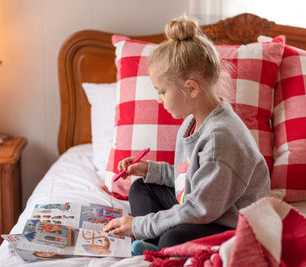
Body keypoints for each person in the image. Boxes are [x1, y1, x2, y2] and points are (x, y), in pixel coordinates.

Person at [103, 15, 270, 254]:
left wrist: (140, 224)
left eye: (162, 91)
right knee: (141, 187)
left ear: (191, 88)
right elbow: (189, 179)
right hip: (207, 206)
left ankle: (156, 244)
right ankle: (153, 242)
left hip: (231, 223)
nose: (158, 99)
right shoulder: (193, 121)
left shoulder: (220, 139)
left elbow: (199, 208)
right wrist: (151, 170)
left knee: (174, 237)